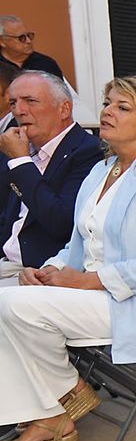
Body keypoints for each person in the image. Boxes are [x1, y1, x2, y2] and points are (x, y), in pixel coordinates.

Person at [0, 76, 136, 441]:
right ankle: (55, 408)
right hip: (93, 294)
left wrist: (86, 281)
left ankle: (58, 408)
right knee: (12, 301)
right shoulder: (101, 172)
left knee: (13, 306)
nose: (107, 111)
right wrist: (49, 270)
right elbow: (76, 245)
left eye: (123, 107)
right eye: (108, 103)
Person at [0, 71, 102, 284]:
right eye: (13, 103)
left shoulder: (89, 152)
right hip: (7, 262)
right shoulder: (14, 148)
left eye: (30, 101)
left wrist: (21, 162)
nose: (19, 111)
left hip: (43, 270)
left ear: (64, 109)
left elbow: (62, 223)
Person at [0, 15, 66, 83]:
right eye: (21, 38)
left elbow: (58, 92)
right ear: (2, 42)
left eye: (29, 35)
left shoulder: (45, 64)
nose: (29, 41)